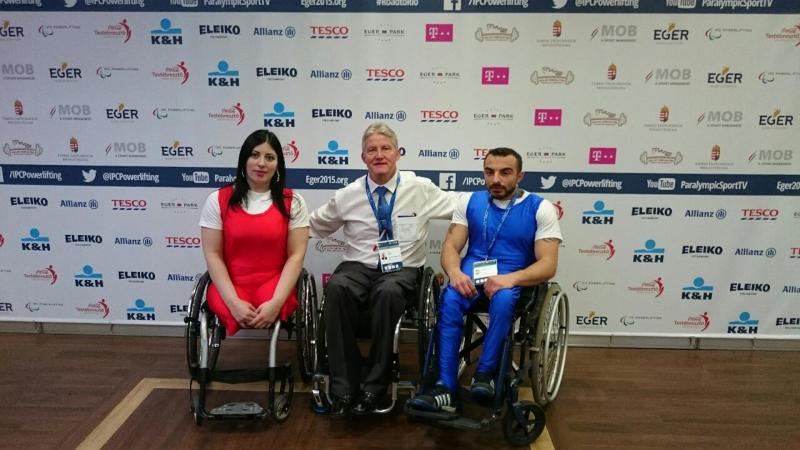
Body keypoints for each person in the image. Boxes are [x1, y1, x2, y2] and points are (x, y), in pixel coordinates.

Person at [309, 122, 459, 415]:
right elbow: (313, 225)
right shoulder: (348, 195)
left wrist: (510, 203)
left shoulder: (420, 189)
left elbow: (464, 206)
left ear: (397, 153)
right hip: (358, 265)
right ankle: (343, 387)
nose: (379, 155)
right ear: (363, 157)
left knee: (388, 292)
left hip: (402, 268)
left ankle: (374, 387)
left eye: (385, 148)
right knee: (337, 288)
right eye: (372, 150)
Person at [410, 147, 562, 413]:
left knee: (503, 301)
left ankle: (485, 375)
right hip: (470, 274)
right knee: (450, 299)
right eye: (489, 172)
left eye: (505, 173)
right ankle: (445, 386)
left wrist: (509, 279)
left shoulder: (541, 208)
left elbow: (548, 265)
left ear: (520, 175)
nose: (496, 179)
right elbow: (450, 246)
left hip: (511, 276)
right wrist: (455, 273)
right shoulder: (469, 201)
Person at [199, 129, 309, 336]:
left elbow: (296, 256)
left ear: (278, 165)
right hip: (231, 286)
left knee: (270, 311)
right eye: (255, 154)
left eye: (269, 157)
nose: (261, 163)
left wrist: (276, 303)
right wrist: (233, 303)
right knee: (231, 312)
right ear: (244, 159)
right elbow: (213, 255)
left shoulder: (293, 202)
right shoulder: (218, 200)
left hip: (275, 285)